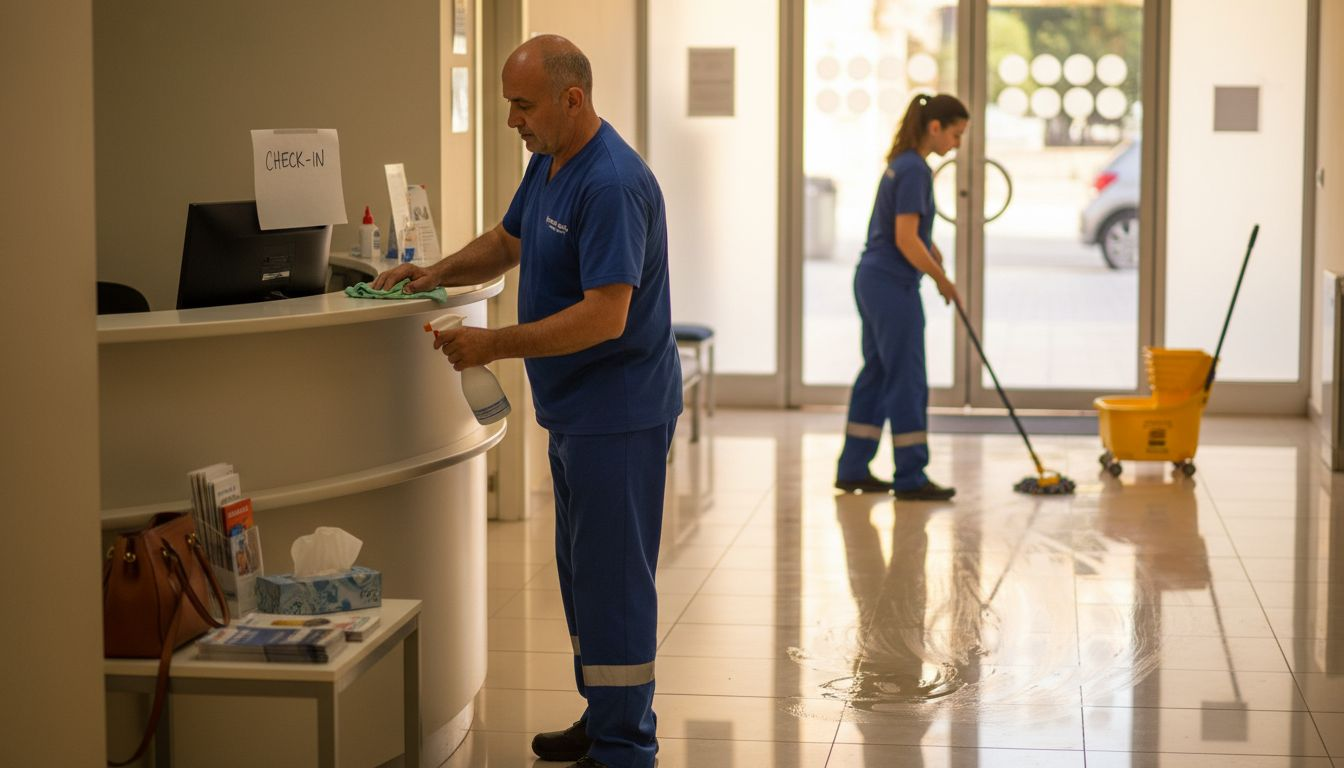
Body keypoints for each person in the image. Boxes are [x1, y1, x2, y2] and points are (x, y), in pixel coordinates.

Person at [371, 35, 679, 768]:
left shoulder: (610, 184)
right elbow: (508, 242)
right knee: (582, 579)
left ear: (573, 99)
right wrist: (434, 273)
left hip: (621, 414)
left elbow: (607, 314)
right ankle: (603, 716)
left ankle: (627, 746)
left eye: (521, 104)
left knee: (615, 583)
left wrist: (492, 346)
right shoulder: (549, 163)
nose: (513, 120)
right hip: (575, 413)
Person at [835, 93, 968, 502]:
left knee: (877, 372)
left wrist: (931, 250)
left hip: (873, 280)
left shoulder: (902, 165)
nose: (957, 144)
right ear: (935, 128)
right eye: (956, 134)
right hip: (892, 286)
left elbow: (911, 233)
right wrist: (941, 278)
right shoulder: (915, 170)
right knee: (907, 378)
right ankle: (911, 475)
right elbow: (905, 239)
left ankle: (853, 467)